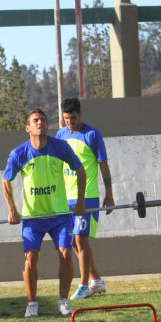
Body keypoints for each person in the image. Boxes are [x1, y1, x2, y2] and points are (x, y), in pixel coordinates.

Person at [2, 108, 86, 317]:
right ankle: (32, 304)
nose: (40, 123)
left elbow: (80, 171)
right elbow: (6, 180)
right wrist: (12, 209)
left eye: (43, 120)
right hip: (33, 218)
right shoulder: (19, 153)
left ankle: (63, 301)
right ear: (27, 127)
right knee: (30, 258)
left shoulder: (61, 147)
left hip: (60, 216)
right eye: (35, 120)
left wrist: (81, 202)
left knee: (66, 254)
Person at [56, 97, 114, 300]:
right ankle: (97, 280)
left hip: (87, 196)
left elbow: (103, 165)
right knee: (73, 241)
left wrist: (109, 193)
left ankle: (82, 285)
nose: (70, 122)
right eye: (66, 118)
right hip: (65, 197)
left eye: (73, 118)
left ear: (80, 114)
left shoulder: (92, 134)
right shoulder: (60, 135)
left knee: (81, 239)